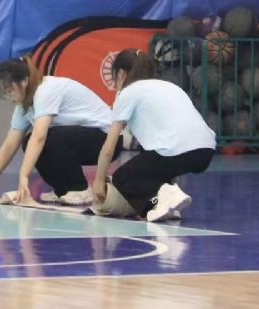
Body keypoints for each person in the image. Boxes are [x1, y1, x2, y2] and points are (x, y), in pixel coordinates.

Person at [0, 56, 121, 205]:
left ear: (24, 82)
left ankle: (80, 189)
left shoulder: (46, 90)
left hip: (109, 140)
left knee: (50, 139)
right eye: (4, 92)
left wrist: (23, 176)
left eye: (9, 90)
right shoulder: (23, 106)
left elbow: (39, 137)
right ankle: (63, 190)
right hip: (82, 139)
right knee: (28, 142)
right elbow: (9, 145)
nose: (8, 96)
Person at [92, 49, 215, 222]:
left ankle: (166, 194)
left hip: (174, 151)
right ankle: (163, 206)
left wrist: (98, 180)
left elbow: (109, 147)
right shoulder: (170, 86)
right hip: (205, 152)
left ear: (120, 74)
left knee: (123, 177)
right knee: (150, 167)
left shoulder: (127, 92)